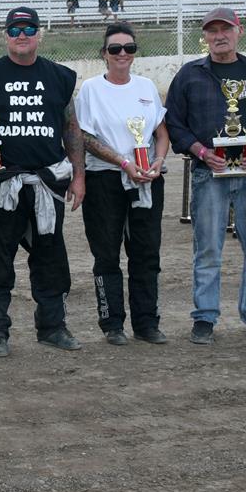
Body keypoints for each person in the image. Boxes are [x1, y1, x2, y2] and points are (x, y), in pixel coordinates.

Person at [0, 7, 86, 358]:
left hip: (47, 182)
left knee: (51, 258)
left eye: (29, 28)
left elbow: (71, 128)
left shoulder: (59, 76)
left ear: (39, 34)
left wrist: (79, 176)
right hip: (2, 182)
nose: (22, 34)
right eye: (15, 29)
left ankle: (53, 327)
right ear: (6, 35)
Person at [164, 7, 246, 345]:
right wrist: (203, 153)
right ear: (204, 36)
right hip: (209, 174)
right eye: (212, 30)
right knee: (207, 250)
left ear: (239, 31)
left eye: (226, 29)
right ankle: (204, 318)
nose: (219, 35)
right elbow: (175, 123)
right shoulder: (189, 75)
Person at [76, 23, 169, 346]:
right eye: (115, 49)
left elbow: (161, 131)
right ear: (104, 54)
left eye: (129, 48)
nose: (122, 54)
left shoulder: (145, 86)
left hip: (146, 180)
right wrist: (123, 162)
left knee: (146, 253)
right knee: (107, 254)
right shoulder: (90, 89)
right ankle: (112, 323)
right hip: (105, 179)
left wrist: (157, 161)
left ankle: (147, 323)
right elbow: (85, 137)